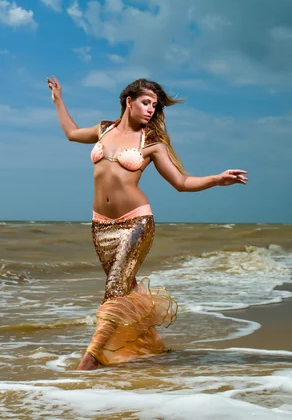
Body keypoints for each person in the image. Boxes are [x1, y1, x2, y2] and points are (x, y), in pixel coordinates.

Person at [46, 76, 248, 371]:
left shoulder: (151, 142)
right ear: (129, 102)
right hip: (100, 227)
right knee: (126, 291)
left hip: (136, 224)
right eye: (146, 102)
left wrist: (217, 179)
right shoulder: (104, 130)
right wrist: (58, 100)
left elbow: (181, 182)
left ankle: (89, 362)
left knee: (114, 289)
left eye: (154, 105)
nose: (151, 109)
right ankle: (148, 348)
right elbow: (72, 133)